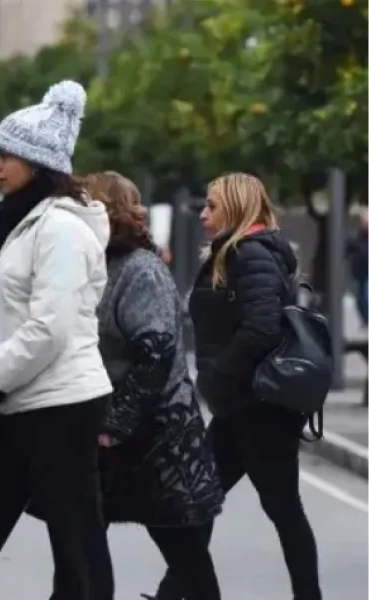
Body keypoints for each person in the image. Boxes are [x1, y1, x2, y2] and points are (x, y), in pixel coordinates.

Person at [0, 80, 115, 600]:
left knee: (76, 544)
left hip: (63, 404)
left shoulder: (62, 229)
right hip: (9, 400)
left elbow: (50, 327)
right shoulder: (5, 226)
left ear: (38, 164)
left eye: (7, 156)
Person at [155, 172, 322, 600]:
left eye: (212, 206)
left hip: (260, 409)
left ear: (237, 208)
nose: (204, 214)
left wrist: (215, 376)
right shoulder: (235, 253)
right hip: (238, 405)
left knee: (281, 508)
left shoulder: (251, 254)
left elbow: (262, 328)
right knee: (199, 504)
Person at [82, 171, 223, 600]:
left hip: (159, 439)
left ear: (107, 212)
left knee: (187, 559)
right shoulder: (97, 265)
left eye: (84, 206)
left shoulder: (140, 270)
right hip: (112, 434)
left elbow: (156, 351)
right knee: (80, 554)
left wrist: (115, 423)